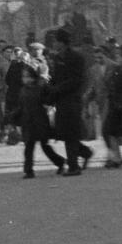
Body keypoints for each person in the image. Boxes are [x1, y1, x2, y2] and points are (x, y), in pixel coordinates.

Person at [46, 29, 93, 175]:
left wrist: (57, 89)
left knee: (70, 133)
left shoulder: (76, 57)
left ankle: (74, 166)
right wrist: (50, 92)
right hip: (61, 100)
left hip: (72, 99)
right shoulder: (58, 58)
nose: (54, 43)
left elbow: (77, 80)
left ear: (62, 42)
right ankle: (84, 153)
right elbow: (56, 78)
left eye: (56, 41)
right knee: (66, 133)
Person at [18, 63, 67, 177]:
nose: (24, 79)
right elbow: (21, 106)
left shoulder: (41, 86)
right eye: (23, 76)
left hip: (40, 120)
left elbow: (51, 96)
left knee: (45, 147)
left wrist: (48, 104)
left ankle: (59, 162)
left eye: (27, 76)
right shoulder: (24, 90)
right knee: (29, 147)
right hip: (28, 121)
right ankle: (28, 170)